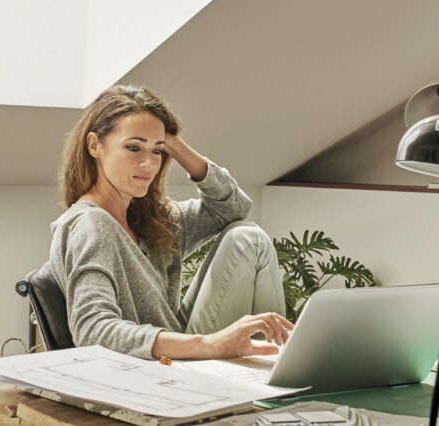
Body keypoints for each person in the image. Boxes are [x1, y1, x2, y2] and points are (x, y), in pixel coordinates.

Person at [49, 84, 291, 361]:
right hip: (153, 365)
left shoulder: (151, 220)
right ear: (95, 145)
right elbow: (92, 329)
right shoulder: (90, 224)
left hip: (179, 346)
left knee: (248, 237)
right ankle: (282, 363)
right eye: (133, 147)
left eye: (157, 151)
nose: (149, 163)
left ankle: (281, 359)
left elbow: (233, 207)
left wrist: (173, 144)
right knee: (248, 239)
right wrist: (207, 344)